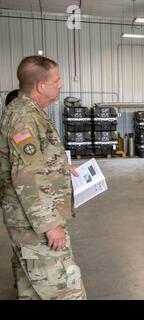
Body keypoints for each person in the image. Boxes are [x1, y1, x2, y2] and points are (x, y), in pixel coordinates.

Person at [0, 56, 86, 300]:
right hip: (34, 224)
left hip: (27, 220)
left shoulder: (29, 111)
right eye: (56, 81)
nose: (60, 85)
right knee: (65, 290)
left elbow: (31, 161)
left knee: (32, 290)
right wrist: (50, 225)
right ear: (40, 85)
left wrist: (59, 166)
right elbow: (25, 176)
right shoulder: (24, 118)